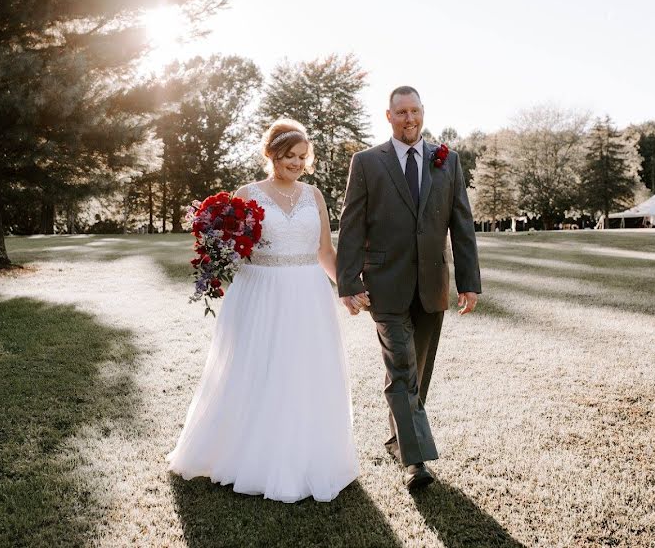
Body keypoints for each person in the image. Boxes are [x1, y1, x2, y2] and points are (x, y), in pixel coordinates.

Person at [167, 119, 360, 503]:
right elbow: (233, 248)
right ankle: (247, 455)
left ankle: (305, 457)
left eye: (303, 157)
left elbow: (324, 253)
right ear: (272, 154)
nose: (297, 163)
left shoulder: (314, 195)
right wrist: (217, 259)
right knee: (258, 369)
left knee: (304, 373)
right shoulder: (247, 193)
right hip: (261, 292)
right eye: (290, 155)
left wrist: (349, 289)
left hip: (308, 293)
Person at [337, 86, 482, 490]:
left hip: (432, 285)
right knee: (402, 368)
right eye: (400, 112)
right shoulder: (366, 162)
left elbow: (462, 223)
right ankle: (416, 462)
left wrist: (468, 282)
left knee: (416, 371)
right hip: (384, 286)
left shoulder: (447, 160)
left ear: (423, 112)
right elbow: (352, 225)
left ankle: (396, 437)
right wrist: (349, 282)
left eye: (414, 110)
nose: (409, 118)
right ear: (388, 117)